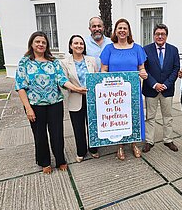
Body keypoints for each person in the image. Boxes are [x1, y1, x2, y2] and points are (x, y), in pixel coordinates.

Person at [15, 31, 87, 174]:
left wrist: (76, 89)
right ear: (32, 44)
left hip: (55, 103)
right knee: (40, 134)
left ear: (47, 45)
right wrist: (28, 108)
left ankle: (60, 160)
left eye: (43, 42)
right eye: (38, 42)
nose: (41, 44)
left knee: (57, 134)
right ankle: (44, 162)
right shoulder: (25, 62)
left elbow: (62, 80)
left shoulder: (53, 61)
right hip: (35, 105)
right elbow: (20, 86)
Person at [100, 18, 148, 160]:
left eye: (125, 28)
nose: (122, 30)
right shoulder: (109, 48)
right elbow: (104, 69)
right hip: (115, 92)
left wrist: (144, 74)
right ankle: (120, 145)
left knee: (133, 116)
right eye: (119, 28)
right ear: (115, 31)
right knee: (118, 116)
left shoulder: (137, 48)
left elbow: (141, 68)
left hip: (132, 91)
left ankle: (133, 143)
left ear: (128, 31)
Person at [60, 35, 99, 163]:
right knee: (78, 127)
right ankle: (81, 151)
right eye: (75, 43)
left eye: (81, 43)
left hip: (91, 98)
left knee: (93, 125)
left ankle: (93, 149)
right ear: (71, 46)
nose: (79, 46)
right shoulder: (65, 62)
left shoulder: (91, 60)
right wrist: (77, 89)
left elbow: (96, 78)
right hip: (75, 98)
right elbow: (64, 81)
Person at [142, 23, 180, 153]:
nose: (160, 36)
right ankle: (149, 141)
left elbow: (176, 69)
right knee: (150, 117)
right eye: (157, 34)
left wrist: (166, 84)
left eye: (162, 34)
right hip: (150, 89)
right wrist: (154, 84)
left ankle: (168, 140)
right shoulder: (145, 50)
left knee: (167, 116)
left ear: (166, 36)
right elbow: (144, 69)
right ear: (153, 36)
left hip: (167, 89)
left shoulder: (173, 50)